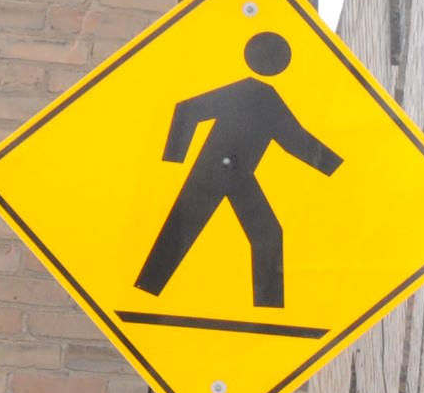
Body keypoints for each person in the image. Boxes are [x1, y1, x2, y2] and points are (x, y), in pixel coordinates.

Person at [135, 32, 342, 309]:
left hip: (237, 173)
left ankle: (268, 309)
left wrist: (337, 169)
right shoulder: (251, 92)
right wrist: (174, 159)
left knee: (265, 233)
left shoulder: (264, 97)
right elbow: (187, 109)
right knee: (185, 228)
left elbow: (295, 141)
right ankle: (146, 290)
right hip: (213, 170)